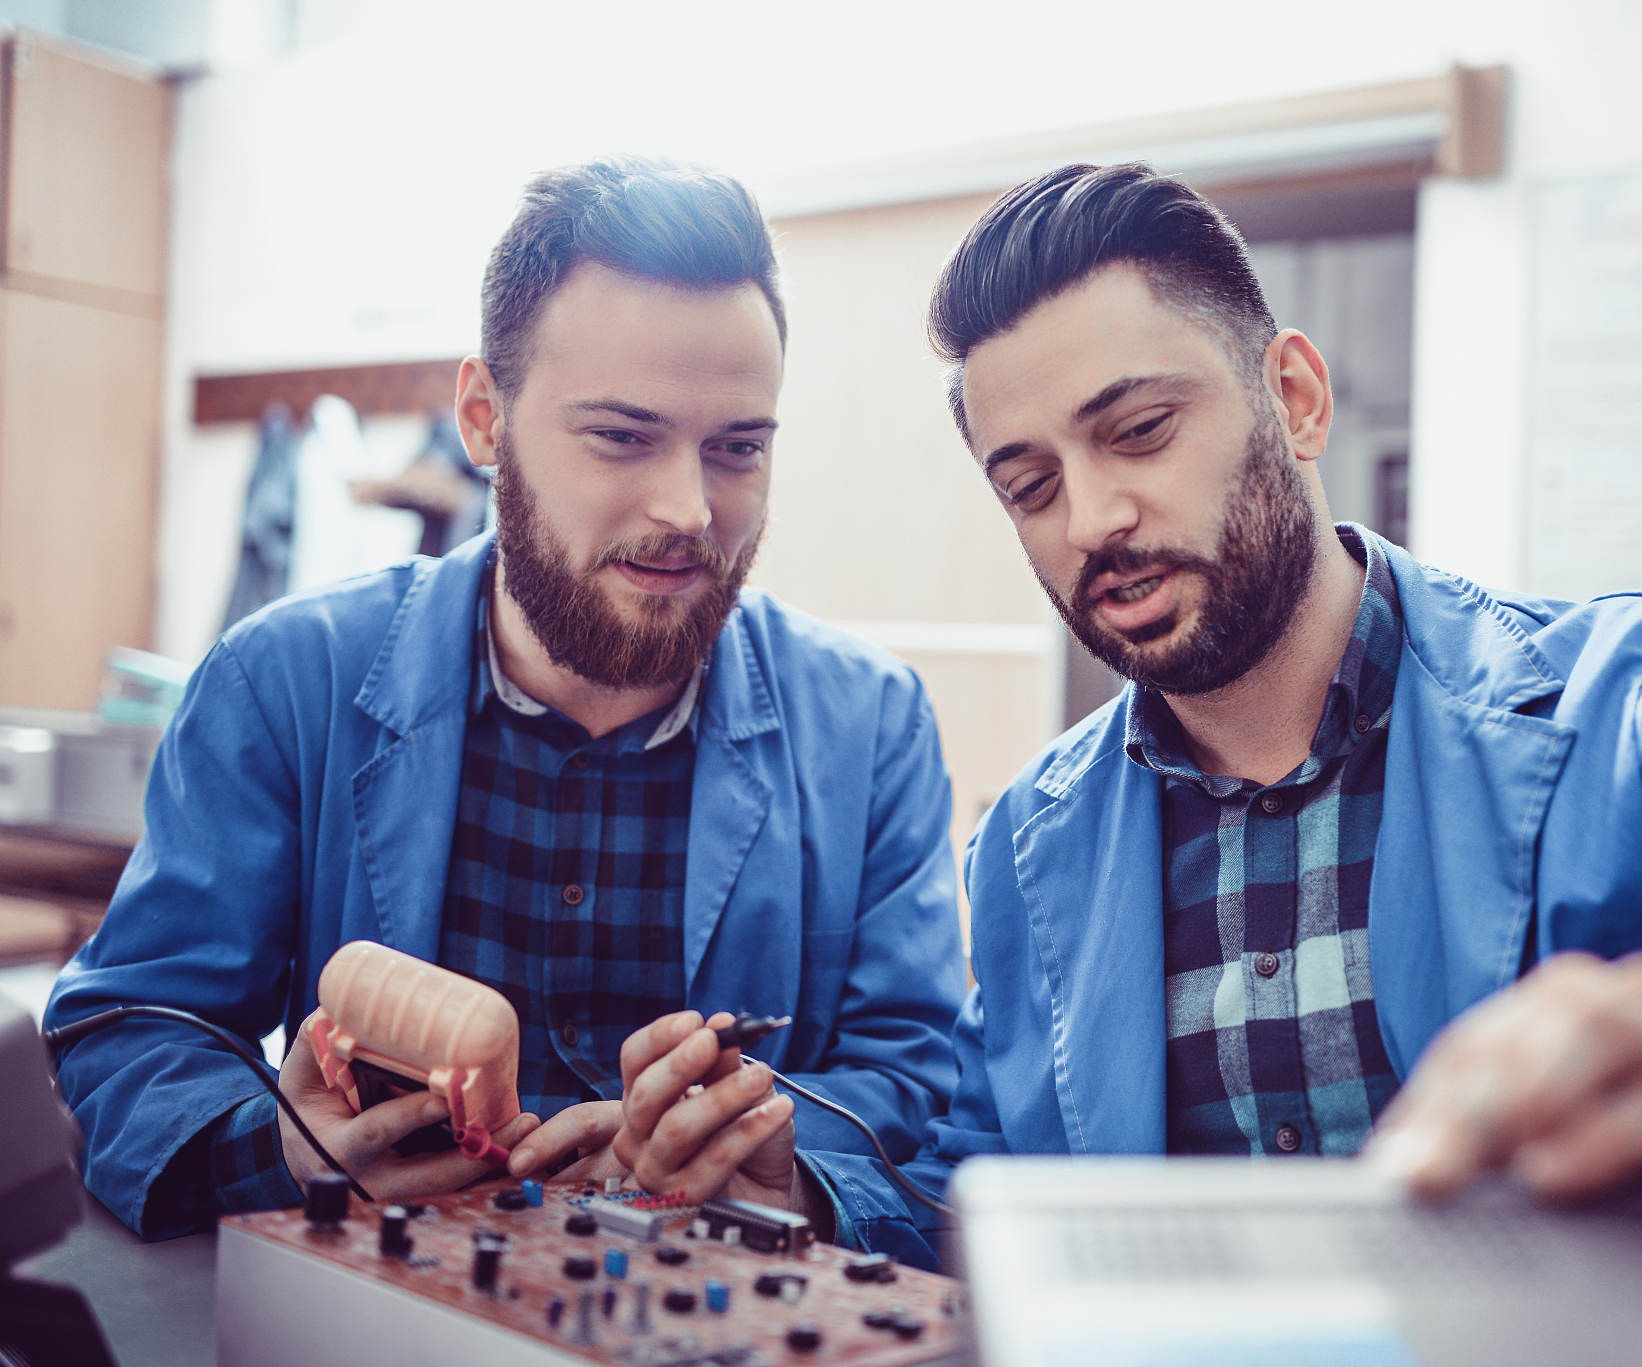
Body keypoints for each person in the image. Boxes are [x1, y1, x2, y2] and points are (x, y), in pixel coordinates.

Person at [796, 162, 1642, 1266]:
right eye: (1029, 485)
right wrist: (808, 1186)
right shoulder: (1025, 845)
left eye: (1138, 430)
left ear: (1291, 397)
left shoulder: (1632, 704)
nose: (1091, 519)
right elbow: (974, 1190)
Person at [46, 157, 964, 1239]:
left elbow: (920, 1080)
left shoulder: (871, 727)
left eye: (737, 448)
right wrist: (277, 1145)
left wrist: (780, 1162)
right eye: (621, 436)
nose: (688, 507)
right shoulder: (282, 681)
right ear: (484, 419)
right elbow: (134, 1019)